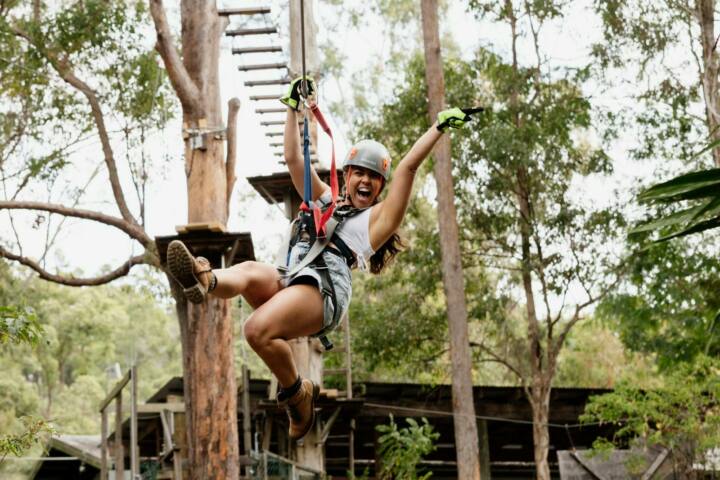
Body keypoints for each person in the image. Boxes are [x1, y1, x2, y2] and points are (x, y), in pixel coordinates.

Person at [166, 77, 478, 441]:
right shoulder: (326, 198)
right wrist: (292, 106)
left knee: (255, 330)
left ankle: (298, 394)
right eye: (359, 172)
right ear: (346, 176)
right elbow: (293, 158)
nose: (365, 181)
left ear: (380, 187)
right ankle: (204, 280)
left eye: (374, 178)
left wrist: (438, 127)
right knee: (250, 271)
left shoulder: (377, 221)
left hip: (324, 291)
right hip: (291, 277)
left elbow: (407, 168)